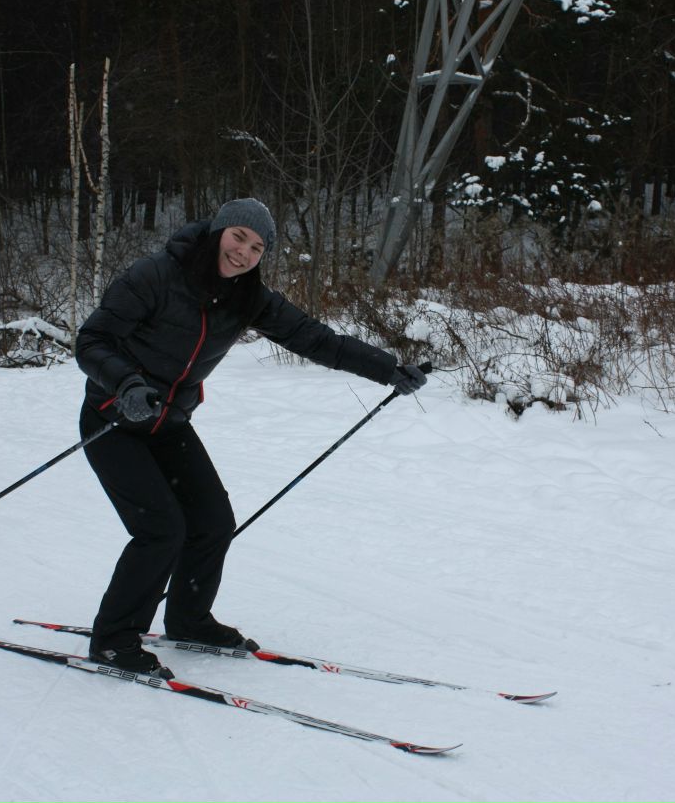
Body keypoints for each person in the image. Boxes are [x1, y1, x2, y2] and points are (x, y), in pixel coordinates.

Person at [75, 198, 427, 677]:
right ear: (218, 231)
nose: (244, 252)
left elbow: (316, 339)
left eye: (257, 247)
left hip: (169, 423)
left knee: (213, 521)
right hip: (113, 418)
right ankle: (114, 640)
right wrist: (126, 384)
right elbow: (92, 340)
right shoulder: (155, 275)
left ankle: (188, 620)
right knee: (161, 530)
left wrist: (387, 369)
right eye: (239, 237)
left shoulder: (248, 297)